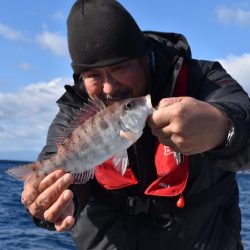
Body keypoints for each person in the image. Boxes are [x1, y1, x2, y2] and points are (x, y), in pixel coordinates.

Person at [21, 0, 250, 249]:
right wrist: (55, 201)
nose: (109, 87)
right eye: (93, 75)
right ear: (81, 77)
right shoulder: (76, 109)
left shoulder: (202, 80)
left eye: (119, 67)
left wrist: (223, 129)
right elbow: (57, 161)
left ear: (143, 57)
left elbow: (242, 116)